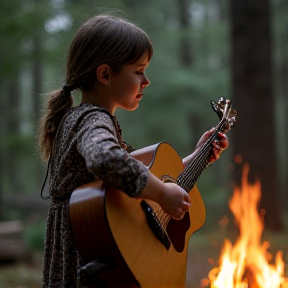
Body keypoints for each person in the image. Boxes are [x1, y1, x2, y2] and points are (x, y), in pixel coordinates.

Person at [37, 14, 228, 288]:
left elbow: (129, 176)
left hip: (92, 251)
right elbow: (107, 160)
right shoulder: (93, 120)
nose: (146, 81)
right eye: (138, 71)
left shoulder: (89, 119)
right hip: (85, 255)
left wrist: (198, 156)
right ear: (105, 74)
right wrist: (162, 193)